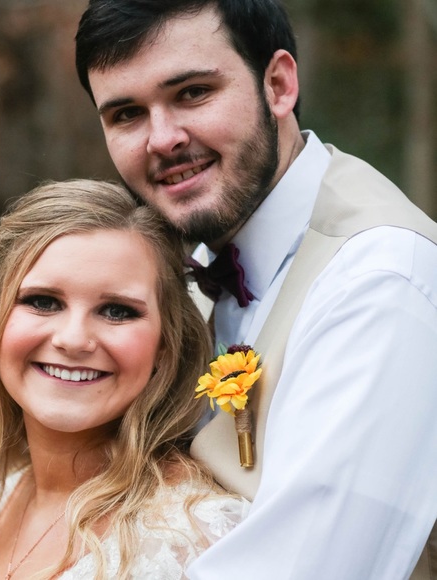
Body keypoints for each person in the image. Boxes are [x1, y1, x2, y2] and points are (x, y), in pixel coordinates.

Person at [75, 1, 437, 578]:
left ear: (278, 85)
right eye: (126, 114)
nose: (162, 140)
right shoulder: (182, 274)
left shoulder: (380, 279)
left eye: (193, 93)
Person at [0, 179, 248, 579]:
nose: (73, 340)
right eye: (43, 302)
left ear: (165, 346)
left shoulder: (197, 537)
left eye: (116, 311)